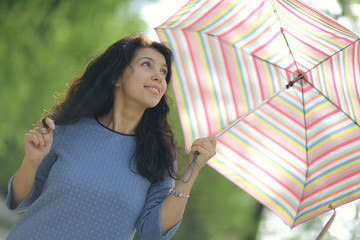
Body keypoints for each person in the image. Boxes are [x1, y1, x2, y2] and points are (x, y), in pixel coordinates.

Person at [5, 34, 217, 240]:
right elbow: (20, 201)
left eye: (164, 72)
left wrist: (192, 171)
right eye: (147, 65)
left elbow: (153, 232)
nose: (159, 76)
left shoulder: (160, 155)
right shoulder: (69, 127)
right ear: (116, 76)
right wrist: (31, 162)